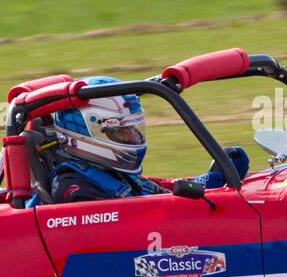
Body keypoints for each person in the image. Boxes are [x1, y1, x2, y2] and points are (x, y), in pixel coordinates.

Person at [34, 76, 248, 204]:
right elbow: (135, 225)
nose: (132, 137)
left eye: (133, 128)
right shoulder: (75, 189)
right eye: (121, 131)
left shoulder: (112, 173)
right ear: (86, 132)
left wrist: (208, 182)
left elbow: (156, 192)